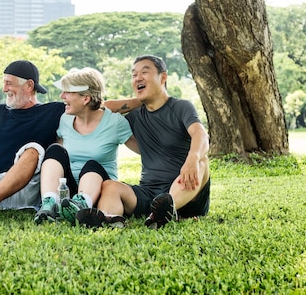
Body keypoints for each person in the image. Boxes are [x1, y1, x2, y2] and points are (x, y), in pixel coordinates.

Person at [0, 60, 138, 222]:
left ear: (29, 86)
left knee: (35, 148)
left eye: (9, 83)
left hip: (27, 189)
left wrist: (147, 99)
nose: (4, 88)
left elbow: (97, 105)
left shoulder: (57, 111)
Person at [76, 55, 210, 229]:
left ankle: (167, 208)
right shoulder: (135, 117)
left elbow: (200, 134)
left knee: (202, 161)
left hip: (186, 191)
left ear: (163, 77)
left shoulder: (180, 107)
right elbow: (100, 108)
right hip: (149, 193)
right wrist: (138, 101)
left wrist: (192, 158)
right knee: (110, 186)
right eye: (134, 75)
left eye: (144, 72)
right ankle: (109, 219)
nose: (137, 78)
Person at [34, 67, 134, 225]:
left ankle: (82, 204)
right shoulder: (65, 120)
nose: (62, 96)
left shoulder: (115, 123)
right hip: (70, 193)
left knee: (92, 164)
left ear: (86, 99)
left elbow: (144, 151)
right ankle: (49, 204)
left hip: (99, 189)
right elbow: (58, 160)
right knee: (55, 150)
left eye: (68, 92)